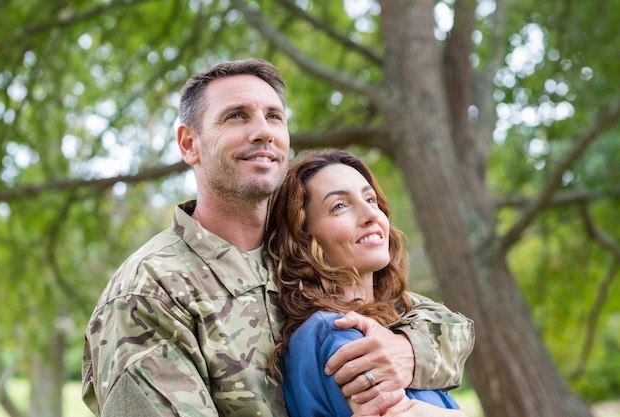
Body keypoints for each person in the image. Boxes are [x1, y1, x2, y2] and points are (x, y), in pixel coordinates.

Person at [81, 59, 474, 417]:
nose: (263, 132)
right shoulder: (151, 292)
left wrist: (406, 351)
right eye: (236, 117)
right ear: (189, 143)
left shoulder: (305, 253)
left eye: (274, 117)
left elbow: (446, 324)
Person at [266, 149, 473, 417]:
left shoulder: (394, 319)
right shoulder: (338, 333)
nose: (370, 214)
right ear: (303, 238)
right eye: (339, 206)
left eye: (370, 199)